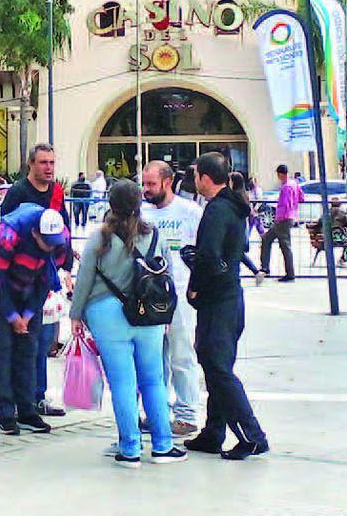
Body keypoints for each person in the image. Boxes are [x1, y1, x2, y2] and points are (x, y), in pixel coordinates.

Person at [71, 179, 189, 468]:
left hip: (106, 314)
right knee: (154, 380)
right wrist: (167, 316)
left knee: (123, 382)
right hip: (148, 313)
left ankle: (130, 448)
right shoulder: (155, 235)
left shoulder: (99, 238)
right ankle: (162, 445)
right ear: (139, 203)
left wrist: (76, 315)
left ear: (111, 204)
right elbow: (167, 277)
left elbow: (85, 277)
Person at [184, 152, 268, 460]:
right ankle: (213, 432)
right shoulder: (233, 207)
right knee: (216, 365)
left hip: (218, 299)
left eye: (195, 176)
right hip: (230, 297)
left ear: (205, 178)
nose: (194, 182)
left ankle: (252, 436)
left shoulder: (217, 210)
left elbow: (208, 255)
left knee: (217, 368)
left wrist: (195, 287)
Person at [0, 204, 68, 435]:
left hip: (30, 289)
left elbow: (46, 281)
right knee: (2, 352)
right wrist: (12, 316)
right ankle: (5, 413)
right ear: (34, 234)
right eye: (46, 242)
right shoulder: (9, 236)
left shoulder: (60, 241)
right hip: (0, 290)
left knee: (28, 351)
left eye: (55, 243)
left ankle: (27, 410)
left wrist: (28, 315)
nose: (51, 247)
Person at [0, 144, 72, 416]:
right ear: (31, 164)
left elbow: (64, 228)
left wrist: (66, 267)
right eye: (43, 162)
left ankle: (37, 395)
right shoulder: (17, 193)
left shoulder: (56, 192)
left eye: (52, 162)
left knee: (43, 339)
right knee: (21, 340)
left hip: (47, 274)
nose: (49, 167)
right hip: (20, 275)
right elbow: (5, 230)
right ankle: (20, 398)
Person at [141, 161, 204, 437]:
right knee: (154, 357)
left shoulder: (190, 212)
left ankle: (187, 413)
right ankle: (157, 411)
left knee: (181, 354)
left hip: (179, 293)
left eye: (151, 184)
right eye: (144, 184)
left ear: (167, 182)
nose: (146, 189)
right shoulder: (141, 214)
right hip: (148, 295)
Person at [262, 165, 301, 281]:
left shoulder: (286, 187)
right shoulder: (294, 184)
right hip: (290, 217)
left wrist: (280, 218)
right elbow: (301, 197)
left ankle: (289, 273)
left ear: (280, 174)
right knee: (267, 239)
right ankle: (265, 267)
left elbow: (285, 205)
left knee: (285, 246)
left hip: (283, 219)